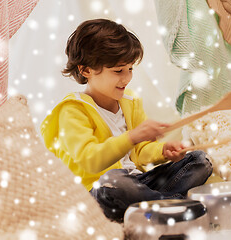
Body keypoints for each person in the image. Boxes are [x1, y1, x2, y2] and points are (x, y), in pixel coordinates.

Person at [41, 18, 213, 222]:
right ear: (86, 70)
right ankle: (170, 205)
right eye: (118, 71)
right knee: (114, 181)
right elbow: (90, 161)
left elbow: (140, 153)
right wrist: (131, 136)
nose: (126, 77)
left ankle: (157, 205)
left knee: (199, 160)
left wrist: (163, 150)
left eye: (130, 69)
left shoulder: (130, 102)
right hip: (97, 192)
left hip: (136, 183)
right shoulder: (72, 110)